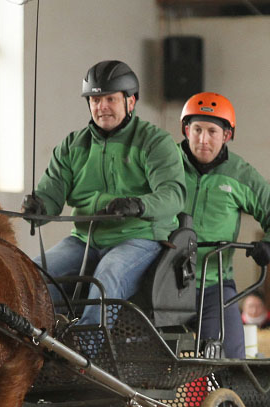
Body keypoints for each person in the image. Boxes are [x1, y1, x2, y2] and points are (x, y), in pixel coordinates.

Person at [21, 60, 186, 326]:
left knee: (106, 277)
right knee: (31, 273)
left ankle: (88, 356)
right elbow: (51, 194)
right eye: (95, 99)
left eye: (110, 98)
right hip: (84, 240)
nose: (102, 107)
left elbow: (174, 195)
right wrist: (38, 208)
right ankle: (34, 346)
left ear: (130, 102)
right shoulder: (72, 145)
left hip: (139, 238)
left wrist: (137, 205)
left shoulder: (154, 142)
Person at [177, 91, 270, 357]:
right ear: (186, 129)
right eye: (196, 129)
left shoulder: (241, 174)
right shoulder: (165, 164)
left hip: (213, 285)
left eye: (212, 131)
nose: (203, 139)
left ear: (227, 135)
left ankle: (229, 397)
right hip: (161, 282)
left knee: (230, 358)